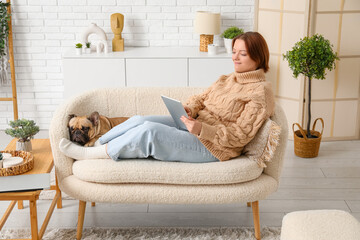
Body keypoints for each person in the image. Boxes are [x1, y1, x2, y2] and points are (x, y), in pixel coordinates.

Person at [59, 31, 275, 163]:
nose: (234, 57)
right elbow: (200, 98)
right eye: (234, 51)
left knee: (148, 132)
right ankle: (97, 144)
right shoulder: (227, 78)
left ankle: (90, 155)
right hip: (194, 126)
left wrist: (202, 130)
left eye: (242, 54)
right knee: (139, 120)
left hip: (215, 147)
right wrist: (189, 109)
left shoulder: (260, 91)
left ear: (258, 57)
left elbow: (241, 135)